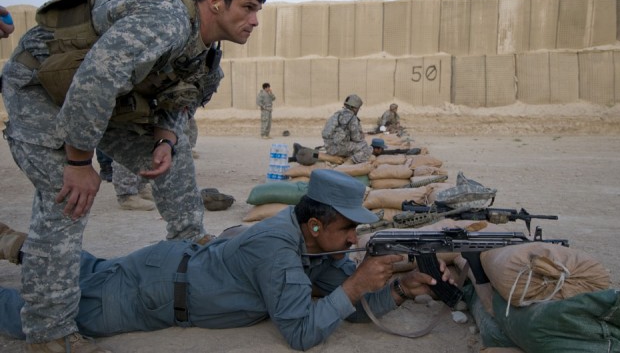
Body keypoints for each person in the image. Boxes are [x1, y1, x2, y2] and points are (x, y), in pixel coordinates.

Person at [1, 0, 266, 352]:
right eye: (248, 7)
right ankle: (49, 331)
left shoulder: (206, 56)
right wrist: (78, 162)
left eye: (258, 11)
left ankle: (189, 244)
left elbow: (180, 105)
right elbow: (95, 79)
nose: (255, 21)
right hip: (40, 87)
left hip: (101, 103)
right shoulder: (166, 20)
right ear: (215, 0)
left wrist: (165, 141)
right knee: (68, 197)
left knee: (172, 165)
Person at [0, 169, 454, 351]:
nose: (354, 238)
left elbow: (339, 306)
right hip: (153, 292)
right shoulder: (278, 247)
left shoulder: (311, 241)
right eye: (348, 228)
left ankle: (18, 246)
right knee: (46, 313)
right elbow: (301, 331)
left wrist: (395, 287)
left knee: (90, 270)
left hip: (166, 267)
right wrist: (355, 284)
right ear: (316, 225)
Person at [322, 94, 372, 163]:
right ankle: (349, 162)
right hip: (338, 148)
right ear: (354, 108)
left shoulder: (337, 114)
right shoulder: (352, 118)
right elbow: (356, 138)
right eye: (358, 108)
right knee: (365, 147)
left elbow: (325, 134)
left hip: (329, 147)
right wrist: (362, 136)